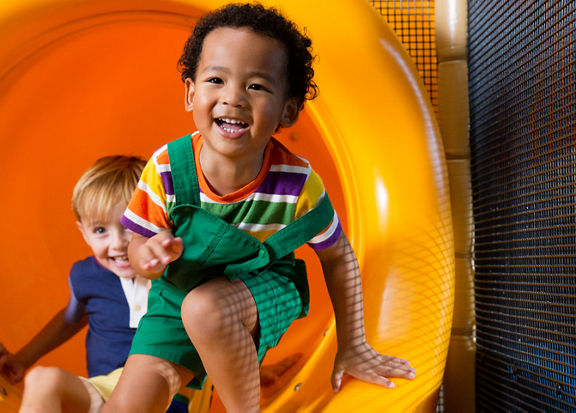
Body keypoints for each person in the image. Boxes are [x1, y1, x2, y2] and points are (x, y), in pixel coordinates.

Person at [105, 3, 416, 412]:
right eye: (216, 79)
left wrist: (353, 345)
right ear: (190, 93)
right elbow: (138, 248)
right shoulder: (166, 168)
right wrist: (148, 257)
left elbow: (339, 257)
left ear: (287, 110)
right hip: (177, 295)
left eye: (256, 86)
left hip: (264, 287)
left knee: (207, 308)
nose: (232, 97)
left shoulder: (296, 184)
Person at [0, 156, 189, 413]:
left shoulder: (176, 272)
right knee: (42, 379)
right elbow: (70, 320)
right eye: (101, 230)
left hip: (162, 396)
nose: (118, 243)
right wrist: (23, 358)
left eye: (131, 226)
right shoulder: (87, 277)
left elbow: (211, 331)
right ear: (83, 232)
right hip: (100, 393)